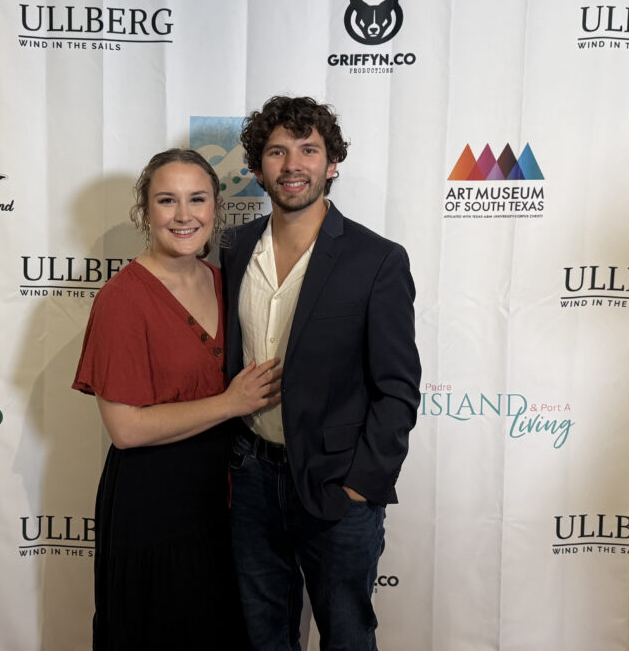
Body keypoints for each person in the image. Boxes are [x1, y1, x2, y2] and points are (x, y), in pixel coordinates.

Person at [221, 96, 422, 650]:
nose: (293, 165)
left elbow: (398, 387)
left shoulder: (376, 259)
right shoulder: (234, 249)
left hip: (338, 484)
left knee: (347, 637)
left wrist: (362, 484)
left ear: (331, 163)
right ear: (258, 167)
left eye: (308, 150)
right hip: (253, 480)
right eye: (277, 151)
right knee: (264, 636)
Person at [73, 148, 282, 651]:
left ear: (216, 208)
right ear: (145, 211)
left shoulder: (223, 279)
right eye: (167, 201)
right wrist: (231, 403)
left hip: (224, 497)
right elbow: (125, 429)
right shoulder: (123, 299)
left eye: (197, 199)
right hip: (154, 503)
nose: (184, 215)